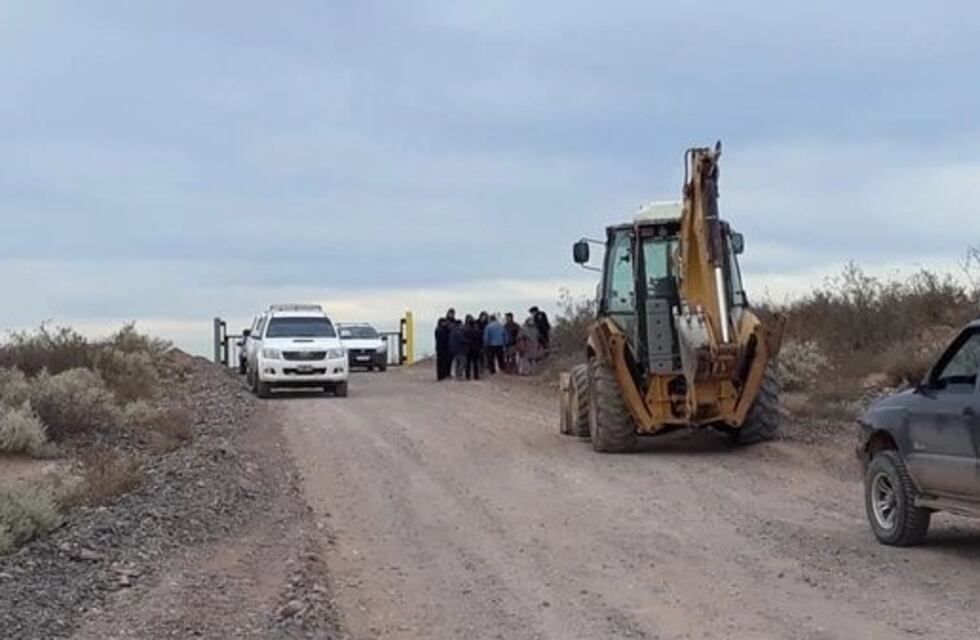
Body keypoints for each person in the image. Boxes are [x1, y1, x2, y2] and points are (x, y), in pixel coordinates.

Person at [464, 315, 483, 380]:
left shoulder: (466, 331)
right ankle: (476, 376)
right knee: (475, 363)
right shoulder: (478, 331)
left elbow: (465, 339)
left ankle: (467, 376)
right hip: (476, 349)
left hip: (468, 348)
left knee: (468, 363)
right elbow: (480, 340)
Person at [434, 317, 451, 381]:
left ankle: (442, 375)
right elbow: (443, 339)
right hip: (441, 348)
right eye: (444, 322)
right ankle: (441, 375)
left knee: (443, 362)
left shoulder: (442, 329)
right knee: (441, 362)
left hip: (442, 348)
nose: (446, 324)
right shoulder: (440, 330)